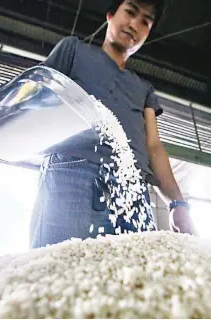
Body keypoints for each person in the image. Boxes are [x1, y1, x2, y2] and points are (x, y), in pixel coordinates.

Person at [29, 0, 195, 248]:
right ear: (110, 15)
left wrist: (178, 204)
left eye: (145, 22)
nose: (134, 24)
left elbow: (154, 147)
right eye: (130, 12)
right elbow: (35, 95)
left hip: (132, 189)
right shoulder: (73, 50)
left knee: (132, 279)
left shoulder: (144, 88)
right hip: (73, 172)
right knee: (57, 269)